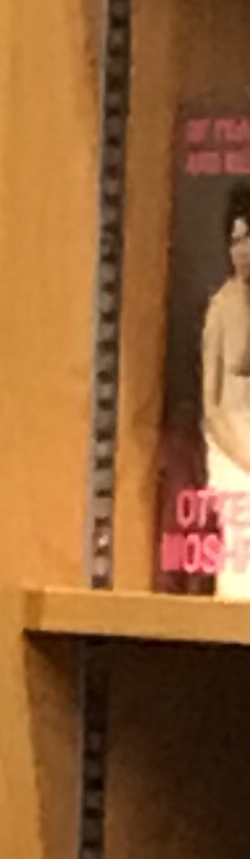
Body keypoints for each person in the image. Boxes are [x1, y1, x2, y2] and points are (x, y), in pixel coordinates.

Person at [204, 183, 250, 598]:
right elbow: (212, 404)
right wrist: (242, 455)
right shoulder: (221, 307)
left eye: (248, 239)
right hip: (232, 452)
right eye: (235, 241)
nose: (242, 251)